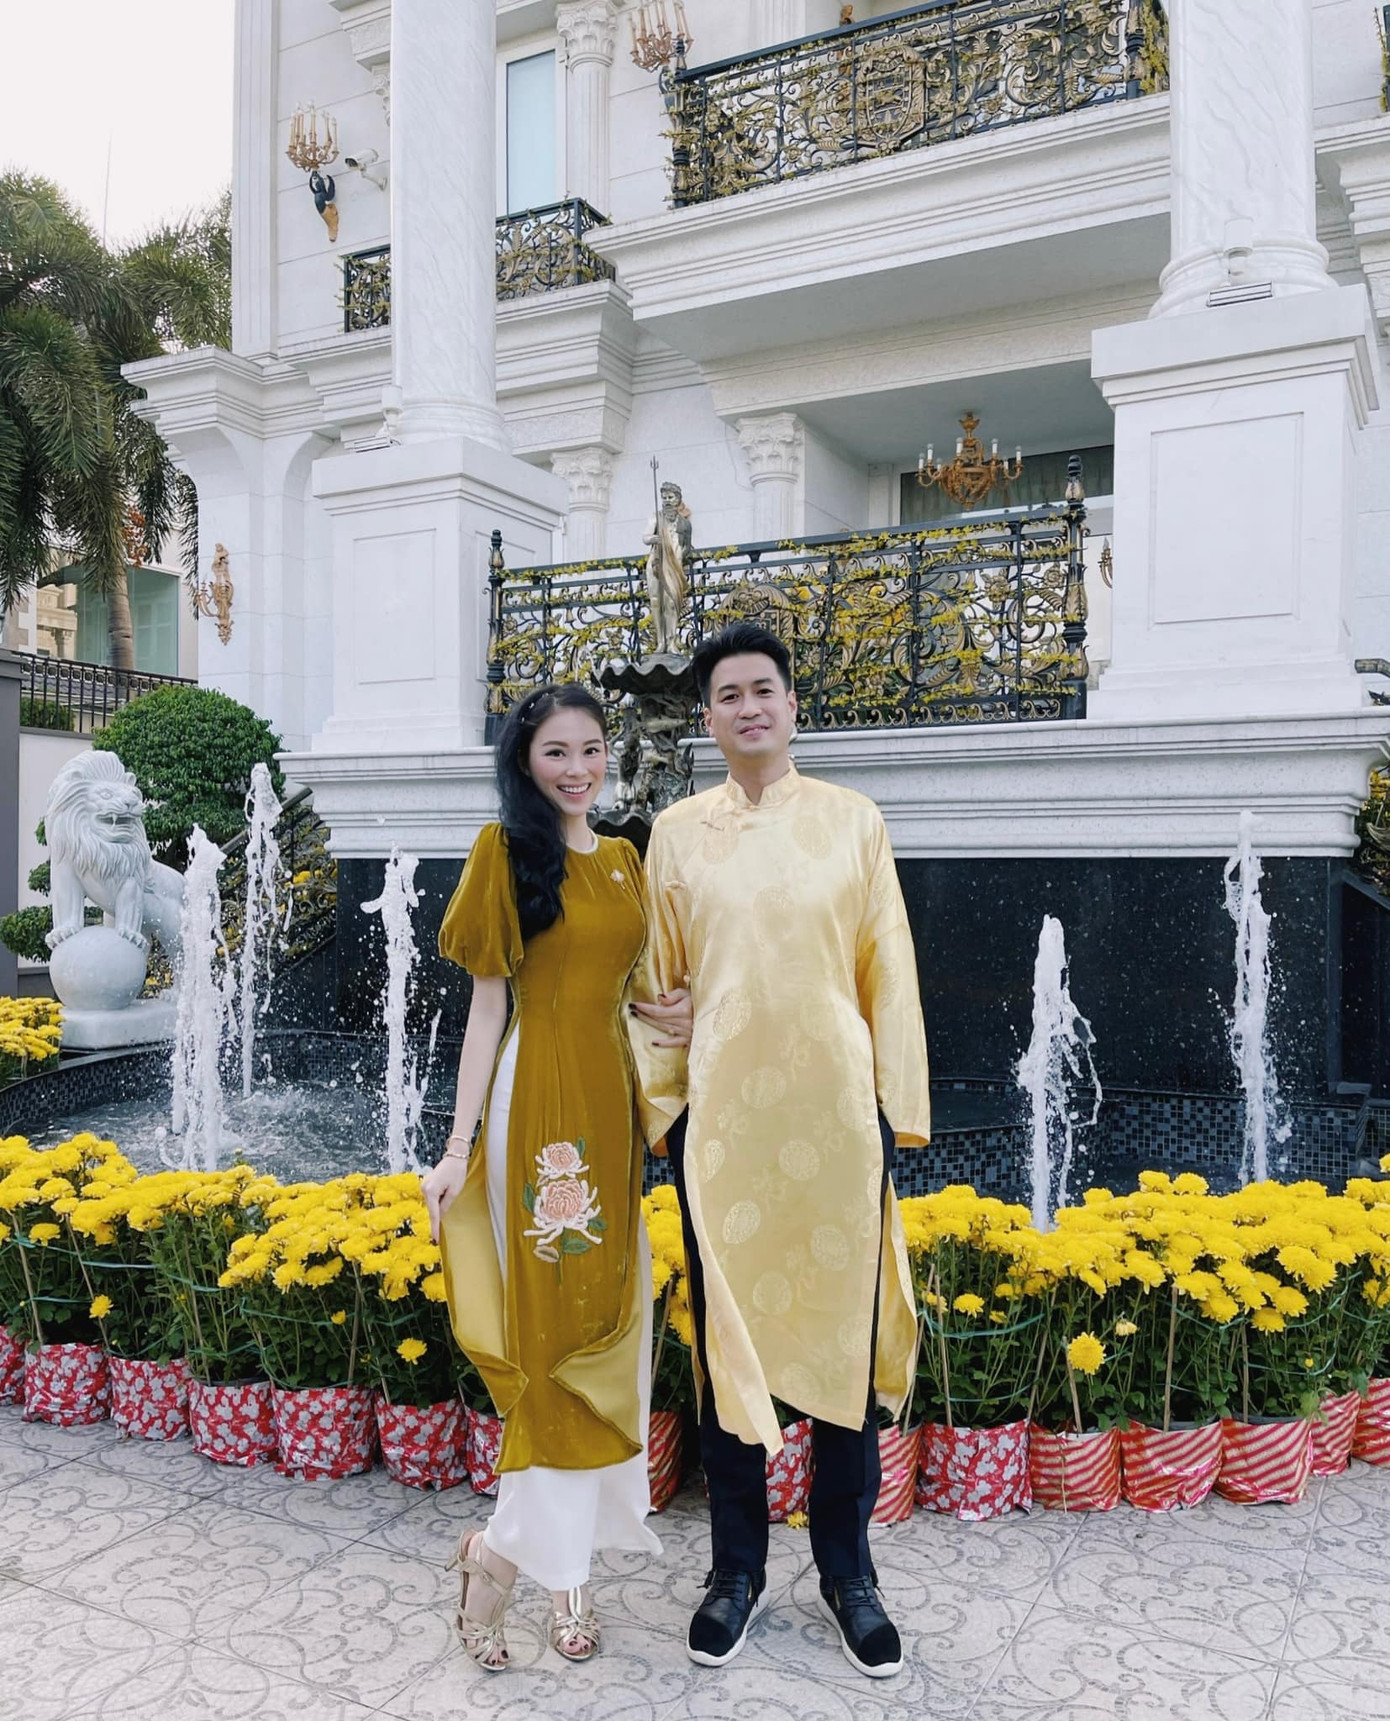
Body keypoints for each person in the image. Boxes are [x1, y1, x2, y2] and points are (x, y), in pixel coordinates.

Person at [633, 622, 931, 1680]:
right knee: (730, 1350)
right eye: (728, 694)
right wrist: (666, 1099)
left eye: (764, 689)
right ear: (708, 716)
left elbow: (887, 964)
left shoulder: (853, 822)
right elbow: (654, 982)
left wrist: (895, 1109)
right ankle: (736, 1570)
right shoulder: (676, 835)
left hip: (837, 1124)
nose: (748, 707)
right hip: (721, 1132)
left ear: (793, 704)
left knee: (842, 1345)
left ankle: (849, 1573)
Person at [421, 683, 691, 1673]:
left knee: (606, 1332)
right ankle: (509, 1563)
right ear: (524, 762)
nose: (577, 768)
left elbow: (638, 990)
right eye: (555, 752)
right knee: (549, 1345)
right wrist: (457, 1146)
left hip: (610, 1115)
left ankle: (559, 1567)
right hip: (537, 1114)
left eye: (589, 749)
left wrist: (679, 1012)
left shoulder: (624, 859)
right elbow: (486, 1011)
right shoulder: (502, 854)